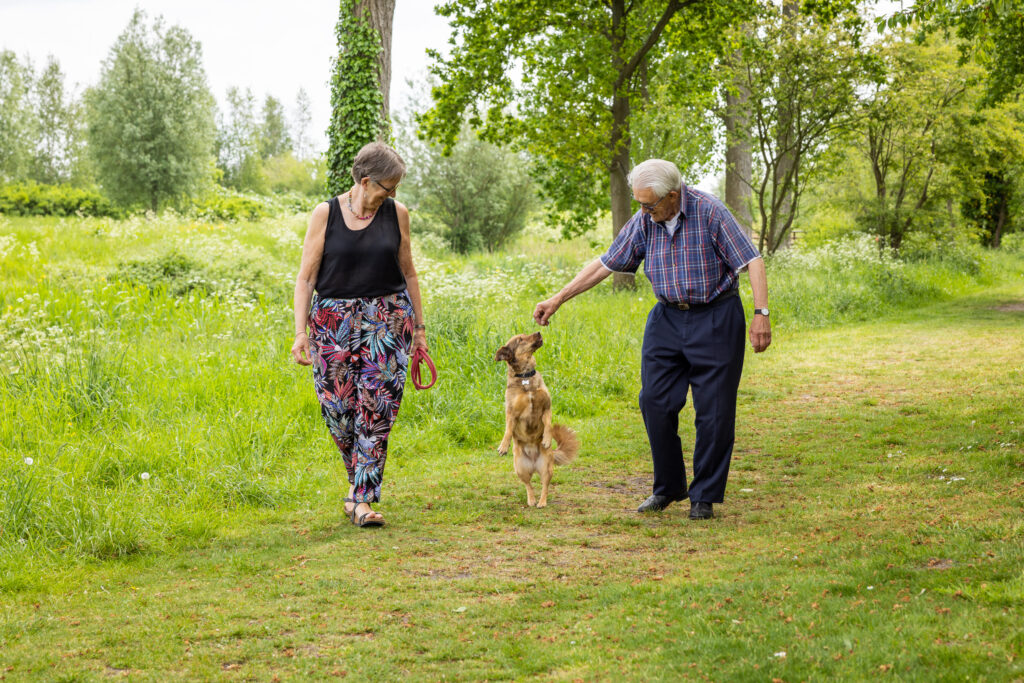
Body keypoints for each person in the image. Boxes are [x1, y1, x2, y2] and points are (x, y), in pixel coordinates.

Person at [533, 159, 771, 520]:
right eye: (640, 204)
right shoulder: (645, 220)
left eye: (649, 205)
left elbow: (751, 260)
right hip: (667, 318)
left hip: (717, 316)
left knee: (714, 411)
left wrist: (760, 313)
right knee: (654, 401)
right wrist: (558, 298)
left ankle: (703, 496)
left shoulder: (710, 213)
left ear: (673, 196)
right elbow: (605, 263)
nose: (643, 211)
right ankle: (669, 486)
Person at [291, 142, 427, 528]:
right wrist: (300, 333)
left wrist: (419, 330)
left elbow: (410, 272)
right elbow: (305, 278)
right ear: (365, 181)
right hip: (333, 323)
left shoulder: (396, 214)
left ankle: (363, 499)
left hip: (388, 320)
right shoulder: (326, 214)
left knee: (377, 409)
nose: (393, 194)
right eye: (388, 186)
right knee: (339, 411)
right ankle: (356, 486)